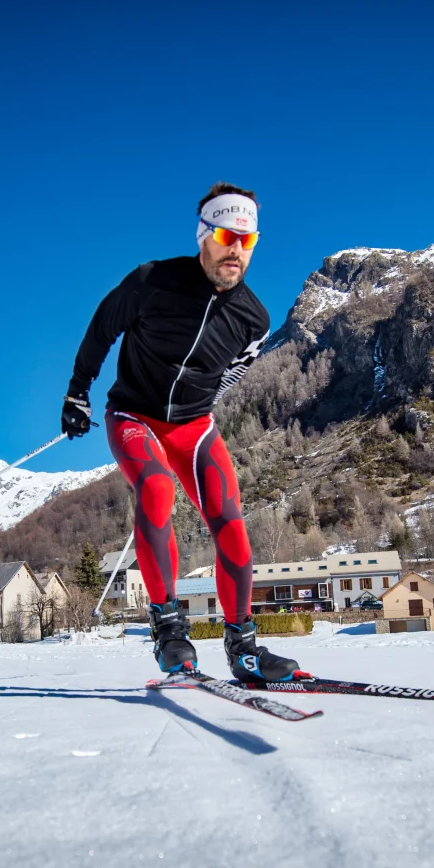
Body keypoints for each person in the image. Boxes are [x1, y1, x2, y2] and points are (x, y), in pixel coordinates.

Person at [61, 182, 301, 682]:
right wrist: (77, 393)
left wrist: (200, 405)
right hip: (134, 416)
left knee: (231, 522)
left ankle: (244, 650)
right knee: (154, 489)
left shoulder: (254, 319)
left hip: (193, 427)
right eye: (226, 235)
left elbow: (233, 372)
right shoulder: (152, 281)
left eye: (248, 239)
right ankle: (170, 632)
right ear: (204, 235)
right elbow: (101, 329)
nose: (236, 248)